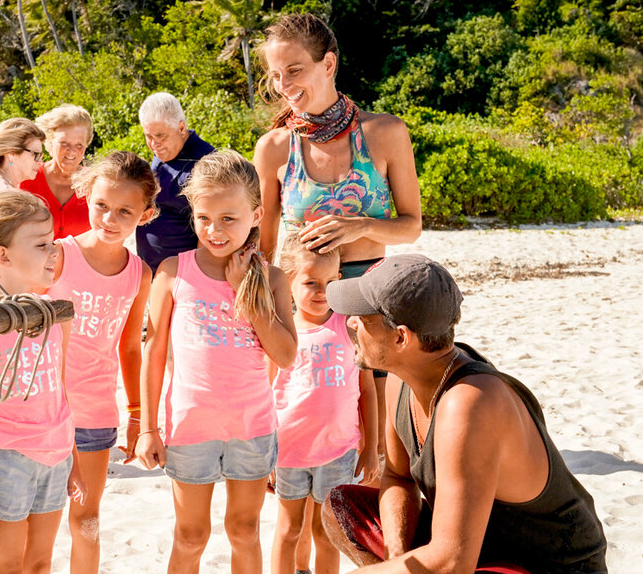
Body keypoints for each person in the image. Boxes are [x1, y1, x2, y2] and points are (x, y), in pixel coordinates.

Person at [320, 254, 607, 574]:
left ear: (401, 337)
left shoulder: (470, 403)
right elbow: (398, 477)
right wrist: (395, 557)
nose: (351, 323)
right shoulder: (403, 375)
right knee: (342, 509)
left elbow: (453, 562)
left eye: (364, 317)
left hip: (546, 565)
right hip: (480, 547)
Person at [254, 13, 422, 462]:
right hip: (304, 302)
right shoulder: (273, 147)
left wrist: (362, 225)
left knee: (385, 450)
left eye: (294, 70)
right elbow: (264, 242)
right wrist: (260, 301)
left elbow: (411, 225)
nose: (283, 84)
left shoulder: (385, 133)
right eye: (275, 74)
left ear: (328, 64)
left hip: (373, 299)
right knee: (309, 437)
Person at [136, 150, 298, 573]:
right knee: (190, 536)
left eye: (229, 218)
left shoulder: (273, 278)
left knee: (244, 531)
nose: (215, 230)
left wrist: (246, 289)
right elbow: (152, 354)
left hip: (251, 426)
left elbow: (285, 355)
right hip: (191, 427)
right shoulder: (173, 272)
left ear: (257, 214)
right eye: (204, 217)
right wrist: (148, 429)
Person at [0, 190, 87, 573]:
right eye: (42, 244)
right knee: (7, 567)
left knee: (40, 564)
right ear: (4, 256)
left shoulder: (56, 315)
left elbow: (61, 394)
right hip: (5, 459)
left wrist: (73, 460)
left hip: (56, 453)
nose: (54, 252)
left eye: (54, 242)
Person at [47, 151, 157, 573]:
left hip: (94, 414)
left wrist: (136, 412)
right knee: (39, 517)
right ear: (86, 195)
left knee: (86, 518)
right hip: (43, 409)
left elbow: (131, 347)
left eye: (124, 211)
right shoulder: (58, 256)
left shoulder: (138, 274)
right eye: (102, 206)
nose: (110, 219)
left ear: (144, 214)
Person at [269, 233, 379, 574]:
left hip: (339, 450)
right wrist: (265, 452)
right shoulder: (280, 330)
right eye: (311, 282)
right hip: (288, 451)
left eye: (330, 282)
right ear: (289, 282)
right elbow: (266, 392)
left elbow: (367, 390)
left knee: (327, 532)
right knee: (289, 529)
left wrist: (371, 446)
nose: (321, 292)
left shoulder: (349, 326)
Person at [137, 92, 215, 272]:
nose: (154, 144)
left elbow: (210, 226)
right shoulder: (165, 150)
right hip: (151, 273)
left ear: (181, 128)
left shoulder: (207, 163)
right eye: (148, 136)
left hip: (184, 275)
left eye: (160, 136)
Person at [20, 104, 93, 239]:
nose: (72, 151)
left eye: (79, 145)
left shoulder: (95, 183)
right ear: (50, 142)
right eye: (64, 143)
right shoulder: (25, 180)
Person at [0, 117, 45, 215]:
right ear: (11, 154)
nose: (41, 162)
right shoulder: (5, 196)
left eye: (41, 155)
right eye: (35, 154)